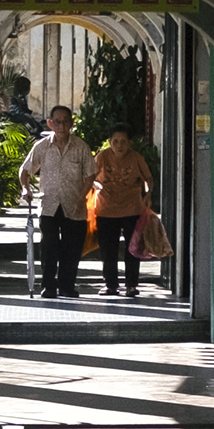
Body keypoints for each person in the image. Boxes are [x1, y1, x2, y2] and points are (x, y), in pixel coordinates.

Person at [17, 103, 96, 297]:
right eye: (57, 122)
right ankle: (49, 286)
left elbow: (90, 175)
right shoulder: (42, 147)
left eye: (65, 121)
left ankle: (67, 286)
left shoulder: (81, 147)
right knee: (49, 247)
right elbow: (25, 170)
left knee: (72, 248)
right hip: (49, 205)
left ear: (72, 123)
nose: (62, 126)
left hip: (74, 204)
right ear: (50, 123)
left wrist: (82, 197)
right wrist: (25, 188)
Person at [91, 125, 154, 299]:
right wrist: (98, 187)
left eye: (123, 142)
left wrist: (148, 193)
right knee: (108, 249)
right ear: (109, 142)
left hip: (132, 209)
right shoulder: (101, 157)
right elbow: (91, 178)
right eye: (115, 141)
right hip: (106, 210)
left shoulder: (136, 158)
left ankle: (131, 285)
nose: (119, 145)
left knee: (133, 249)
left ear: (130, 143)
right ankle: (110, 285)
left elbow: (148, 178)